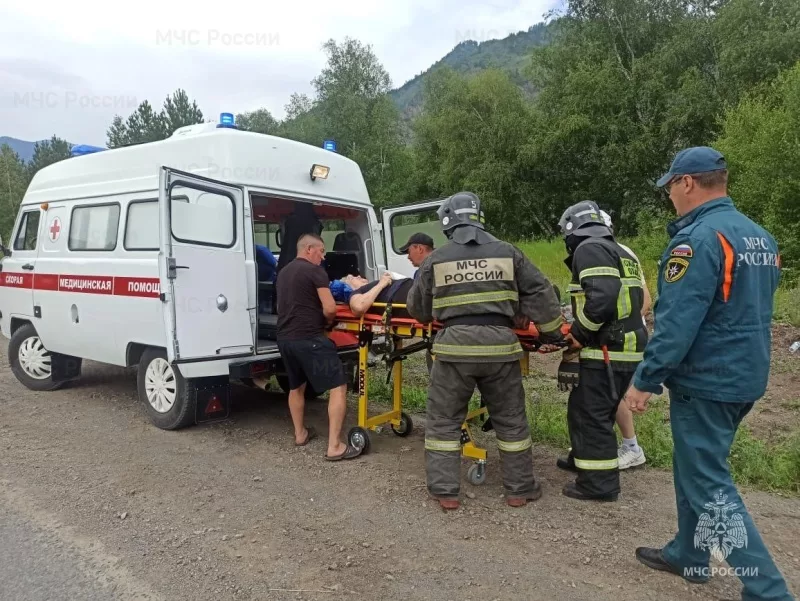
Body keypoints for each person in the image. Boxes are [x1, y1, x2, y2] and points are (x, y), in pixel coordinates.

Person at [624, 147, 794, 600]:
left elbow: (678, 321)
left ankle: (769, 591)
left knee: (708, 483)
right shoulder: (760, 236)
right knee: (695, 467)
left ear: (687, 183)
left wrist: (645, 379)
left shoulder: (697, 240)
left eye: (670, 187)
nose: (670, 196)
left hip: (707, 379)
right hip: (745, 373)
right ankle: (689, 553)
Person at [407, 191, 565, 511]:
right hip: (501, 350)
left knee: (443, 422)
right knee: (511, 421)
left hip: (453, 352)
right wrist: (551, 334)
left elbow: (418, 310)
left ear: (448, 222)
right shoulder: (508, 252)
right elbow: (540, 290)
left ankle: (445, 492)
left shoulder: (436, 259)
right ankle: (519, 490)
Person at [555, 200, 648, 502]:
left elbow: (602, 298)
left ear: (572, 229)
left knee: (590, 415)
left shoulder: (590, 248)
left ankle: (598, 484)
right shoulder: (618, 250)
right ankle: (583, 459)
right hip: (627, 347)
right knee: (597, 411)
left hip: (606, 349)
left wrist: (578, 334)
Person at [276, 233, 362, 462]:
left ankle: (300, 434)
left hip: (285, 338)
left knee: (296, 387)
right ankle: (335, 446)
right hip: (310, 337)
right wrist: (327, 323)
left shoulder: (283, 272)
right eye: (321, 251)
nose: (323, 257)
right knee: (338, 386)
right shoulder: (315, 271)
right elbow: (330, 308)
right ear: (309, 249)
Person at [598, 210, 649, 470]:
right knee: (605, 394)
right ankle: (599, 445)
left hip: (621, 339)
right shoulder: (625, 252)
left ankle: (632, 448)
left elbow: (644, 301)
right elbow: (645, 299)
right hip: (630, 336)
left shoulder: (605, 254)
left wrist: (619, 328)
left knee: (615, 394)